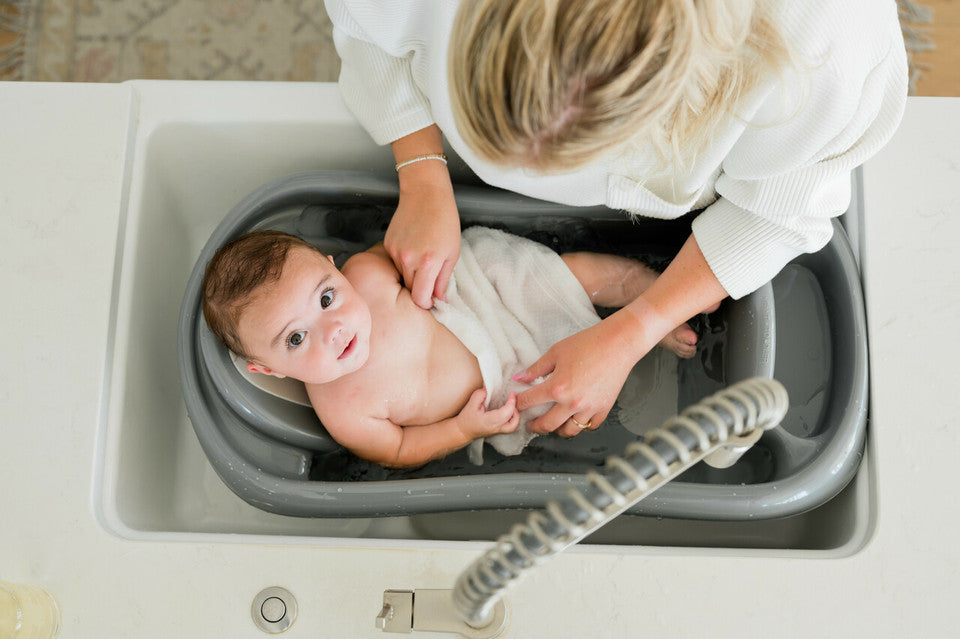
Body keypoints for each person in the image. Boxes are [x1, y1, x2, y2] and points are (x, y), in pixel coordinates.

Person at [323, 0, 907, 438]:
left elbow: (780, 207)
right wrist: (423, 170)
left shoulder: (824, 48)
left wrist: (637, 327)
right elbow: (366, 29)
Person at [202, 227, 704, 468]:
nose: (331, 328)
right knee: (554, 404)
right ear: (267, 369)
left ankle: (642, 292)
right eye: (295, 337)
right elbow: (399, 450)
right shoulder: (343, 409)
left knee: (552, 274)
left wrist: (427, 266)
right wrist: (462, 428)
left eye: (326, 296)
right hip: (501, 378)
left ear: (334, 266)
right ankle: (628, 332)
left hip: (477, 297)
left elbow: (405, 248)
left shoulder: (365, 275)